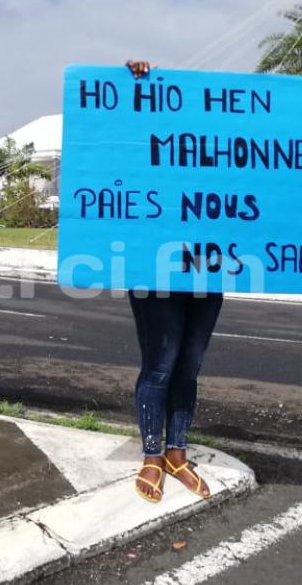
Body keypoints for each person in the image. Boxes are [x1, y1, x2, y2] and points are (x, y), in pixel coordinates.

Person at [125, 59, 226, 503]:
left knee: (189, 366)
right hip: (154, 270)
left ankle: (176, 452)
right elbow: (116, 138)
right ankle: (152, 454)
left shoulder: (223, 156)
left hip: (208, 271)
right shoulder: (149, 150)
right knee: (160, 365)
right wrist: (132, 84)